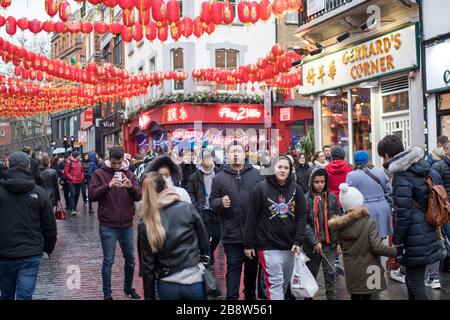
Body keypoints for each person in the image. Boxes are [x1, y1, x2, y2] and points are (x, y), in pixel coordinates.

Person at [378, 135, 441, 300]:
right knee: (412, 281)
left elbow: (403, 214)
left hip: (414, 235)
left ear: (386, 155)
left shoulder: (401, 175)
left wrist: (397, 242)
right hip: (426, 229)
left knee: (415, 284)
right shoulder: (421, 166)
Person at [138, 172, 210, 300]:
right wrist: (204, 263)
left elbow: (147, 267)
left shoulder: (146, 222)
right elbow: (204, 241)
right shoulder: (187, 208)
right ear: (166, 186)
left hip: (167, 283)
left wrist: (149, 297)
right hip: (193, 279)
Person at [244, 156, 307, 300]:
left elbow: (302, 216)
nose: (283, 170)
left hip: (290, 245)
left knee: (284, 283)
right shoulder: (260, 189)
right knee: (275, 283)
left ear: (290, 170)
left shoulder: (296, 190)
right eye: (279, 167)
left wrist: (298, 241)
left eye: (286, 168)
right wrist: (248, 243)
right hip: (267, 245)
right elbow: (251, 217)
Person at [210, 140, 263, 300]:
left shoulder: (256, 175)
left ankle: (250, 298)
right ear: (227, 155)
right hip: (231, 233)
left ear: (244, 154)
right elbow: (212, 201)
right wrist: (220, 203)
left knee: (251, 270)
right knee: (233, 268)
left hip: (252, 235)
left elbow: (264, 201)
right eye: (232, 152)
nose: (235, 155)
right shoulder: (219, 178)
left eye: (238, 151)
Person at [0, 152, 57, 300]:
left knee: (6, 294)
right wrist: (47, 249)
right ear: (29, 167)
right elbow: (50, 226)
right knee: (25, 295)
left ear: (8, 165)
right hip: (30, 253)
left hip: (4, 253)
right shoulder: (39, 193)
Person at [88, 147, 142, 300]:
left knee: (131, 259)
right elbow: (91, 195)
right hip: (107, 224)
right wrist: (108, 186)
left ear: (123, 159)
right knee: (108, 260)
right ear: (109, 159)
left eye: (119, 163)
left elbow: (139, 196)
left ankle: (128, 288)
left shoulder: (130, 174)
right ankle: (107, 294)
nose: (117, 166)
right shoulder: (99, 174)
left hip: (126, 224)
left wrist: (130, 187)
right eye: (114, 163)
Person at [328, 184, 397, 300]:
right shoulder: (369, 223)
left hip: (351, 269)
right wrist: (394, 251)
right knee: (368, 296)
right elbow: (377, 247)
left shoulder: (340, 226)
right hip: (370, 269)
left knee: (354, 296)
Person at [304, 167, 341, 300]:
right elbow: (304, 223)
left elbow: (337, 220)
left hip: (329, 244)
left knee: (330, 274)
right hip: (311, 246)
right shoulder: (306, 199)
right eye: (316, 182)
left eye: (322, 181)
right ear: (311, 182)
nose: (320, 185)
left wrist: (338, 242)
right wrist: (314, 241)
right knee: (310, 276)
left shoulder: (331, 197)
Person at [186, 149, 222, 267]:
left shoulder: (219, 173)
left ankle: (210, 251)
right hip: (203, 210)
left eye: (209, 157)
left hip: (216, 210)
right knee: (205, 237)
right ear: (201, 159)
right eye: (204, 157)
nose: (207, 160)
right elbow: (190, 192)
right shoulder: (195, 176)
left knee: (217, 235)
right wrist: (196, 206)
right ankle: (206, 256)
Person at [346, 150, 392, 239]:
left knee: (366, 241)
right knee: (380, 240)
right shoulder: (380, 172)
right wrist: (388, 206)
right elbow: (388, 191)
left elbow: (349, 197)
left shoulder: (351, 175)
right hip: (382, 208)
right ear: (368, 160)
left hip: (364, 211)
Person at [64, 151, 84, 216]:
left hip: (79, 181)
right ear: (76, 156)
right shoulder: (69, 162)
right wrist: (71, 178)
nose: (80, 156)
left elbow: (82, 171)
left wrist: (82, 177)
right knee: (73, 194)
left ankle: (74, 208)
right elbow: (66, 172)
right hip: (71, 182)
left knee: (77, 195)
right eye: (79, 155)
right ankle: (72, 208)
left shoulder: (80, 162)